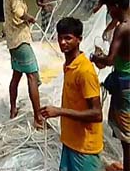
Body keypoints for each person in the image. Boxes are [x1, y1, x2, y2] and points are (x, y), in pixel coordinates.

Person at [40, 17, 103, 171]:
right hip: (70, 141)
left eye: (68, 38)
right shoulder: (68, 65)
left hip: (84, 147)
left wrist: (59, 111)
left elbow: (97, 114)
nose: (62, 43)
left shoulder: (85, 71)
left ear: (79, 40)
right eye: (60, 38)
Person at [92, 0, 130, 171]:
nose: (109, 13)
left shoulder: (122, 28)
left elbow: (109, 60)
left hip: (124, 81)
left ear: (116, 6)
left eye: (109, 9)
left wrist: (95, 57)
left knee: (126, 135)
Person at [3, 0, 42, 128]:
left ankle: (13, 109)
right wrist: (29, 17)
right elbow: (19, 12)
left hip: (12, 41)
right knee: (32, 76)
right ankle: (38, 118)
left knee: (17, 75)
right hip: (20, 40)